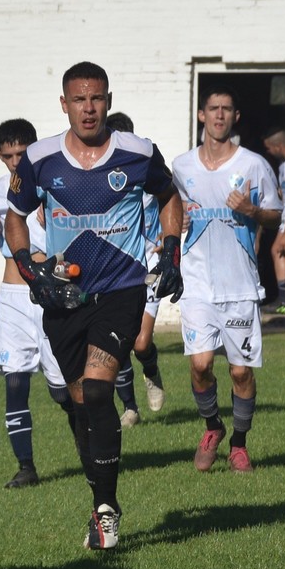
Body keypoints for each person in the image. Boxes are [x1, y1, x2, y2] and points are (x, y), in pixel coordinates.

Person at [3, 61, 184, 550]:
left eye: (97, 98)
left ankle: (106, 513)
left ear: (108, 100)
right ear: (64, 104)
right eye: (79, 100)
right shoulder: (39, 160)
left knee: (101, 393)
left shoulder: (138, 153)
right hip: (64, 297)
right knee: (81, 405)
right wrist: (26, 262)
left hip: (121, 292)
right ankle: (102, 498)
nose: (89, 108)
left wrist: (170, 249)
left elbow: (170, 197)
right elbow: (14, 218)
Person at [173, 91, 283, 472]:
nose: (219, 116)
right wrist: (178, 221)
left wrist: (252, 210)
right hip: (197, 282)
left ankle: (239, 443)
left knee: (240, 370)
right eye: (212, 109)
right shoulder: (181, 166)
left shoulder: (253, 165)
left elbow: (274, 215)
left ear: (235, 116)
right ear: (201, 115)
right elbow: (168, 212)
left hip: (239, 285)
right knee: (201, 364)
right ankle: (212, 428)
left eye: (226, 110)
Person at [0, 118, 74, 489]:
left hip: (51, 294)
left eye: (21, 154)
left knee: (61, 390)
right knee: (15, 382)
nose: (15, 162)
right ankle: (25, 466)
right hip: (13, 296)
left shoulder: (55, 185)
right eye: (8, 155)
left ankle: (89, 442)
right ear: (0, 155)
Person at [105, 112, 168, 421]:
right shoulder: (100, 175)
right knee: (119, 339)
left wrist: (170, 238)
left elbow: (176, 198)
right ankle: (130, 408)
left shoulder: (145, 166)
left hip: (151, 263)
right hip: (119, 264)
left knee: (141, 343)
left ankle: (151, 368)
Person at [261, 125, 285, 313]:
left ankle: (284, 301)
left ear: (278, 146)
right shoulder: (283, 166)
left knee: (277, 250)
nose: (268, 152)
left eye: (269, 148)